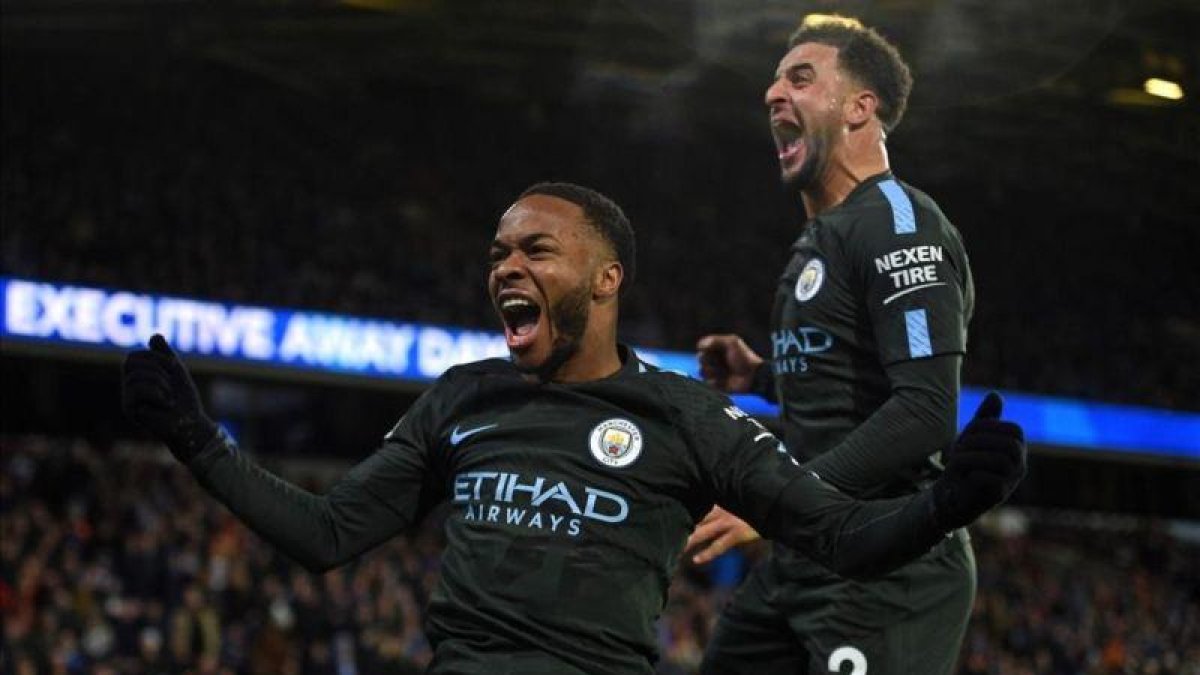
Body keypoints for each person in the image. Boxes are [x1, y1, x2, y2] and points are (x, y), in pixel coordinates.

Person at [122, 182, 1024, 675]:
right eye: (498, 255)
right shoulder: (462, 397)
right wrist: (200, 441)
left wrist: (950, 501)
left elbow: (840, 536)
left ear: (606, 280)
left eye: (535, 250)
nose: (506, 267)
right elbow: (327, 533)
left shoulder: (686, 415)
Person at [690, 15, 985, 675]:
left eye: (800, 78)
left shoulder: (899, 224)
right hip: (807, 556)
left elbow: (924, 411)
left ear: (859, 108)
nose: (772, 93)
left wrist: (775, 501)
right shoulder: (820, 238)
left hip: (890, 571)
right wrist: (762, 376)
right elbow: (852, 383)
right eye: (772, 81)